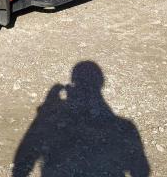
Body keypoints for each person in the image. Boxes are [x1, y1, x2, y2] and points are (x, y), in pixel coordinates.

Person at [12, 61, 150, 177]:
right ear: (101, 82)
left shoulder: (52, 117)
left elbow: (28, 147)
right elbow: (141, 169)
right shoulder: (126, 126)